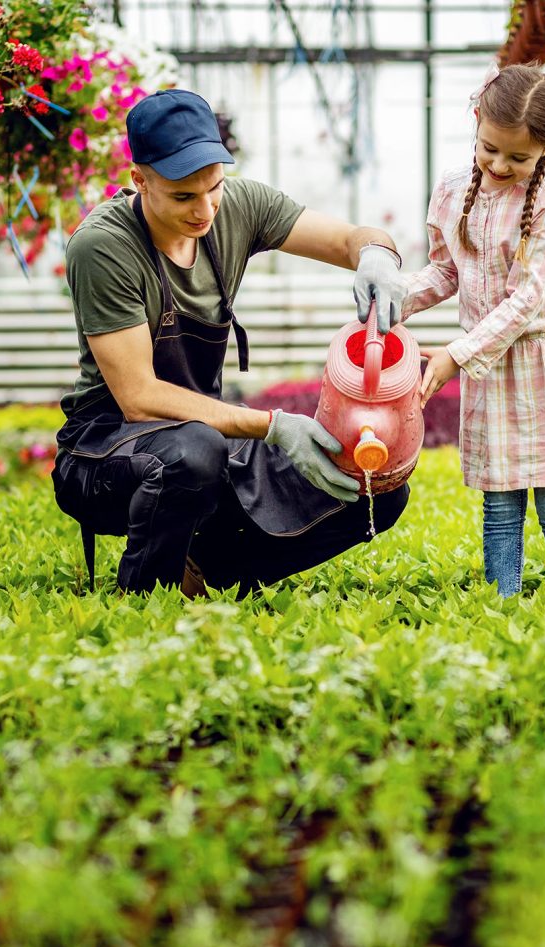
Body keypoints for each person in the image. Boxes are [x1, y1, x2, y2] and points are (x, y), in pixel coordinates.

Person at [51, 89, 408, 596]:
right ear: (139, 180)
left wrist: (376, 254)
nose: (204, 211)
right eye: (182, 197)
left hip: (207, 435)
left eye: (213, 188)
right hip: (105, 449)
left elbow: (346, 238)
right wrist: (275, 426)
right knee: (194, 450)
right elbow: (140, 397)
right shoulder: (103, 246)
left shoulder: (238, 206)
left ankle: (212, 568)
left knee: (376, 489)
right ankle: (144, 602)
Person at [403, 63, 545, 598]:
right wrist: (393, 303)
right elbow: (447, 271)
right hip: (490, 362)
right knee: (500, 499)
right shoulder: (451, 191)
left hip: (542, 356)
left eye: (518, 157)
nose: (499, 164)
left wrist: (457, 351)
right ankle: (503, 607)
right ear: (476, 122)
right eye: (489, 147)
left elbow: (528, 297)